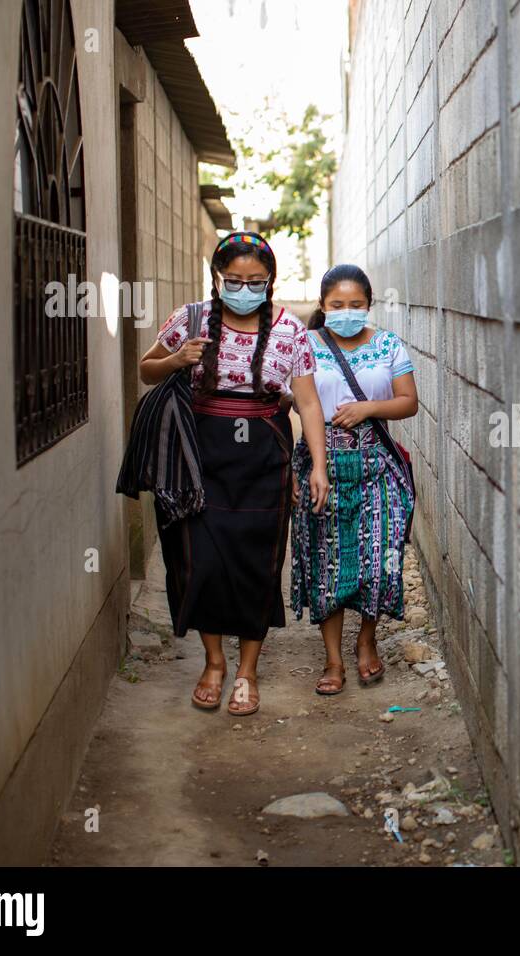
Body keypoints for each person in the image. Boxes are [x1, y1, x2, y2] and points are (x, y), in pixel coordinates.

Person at [137, 232, 329, 715]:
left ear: (270, 282)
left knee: (255, 562)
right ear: (218, 279)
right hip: (197, 452)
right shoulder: (191, 319)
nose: (244, 288)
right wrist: (177, 359)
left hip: (264, 455)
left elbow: (307, 401)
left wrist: (318, 465)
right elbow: (146, 369)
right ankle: (214, 662)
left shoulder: (290, 331)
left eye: (255, 281)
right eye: (234, 280)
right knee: (199, 558)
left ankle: (247, 671)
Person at [289, 264, 417, 695]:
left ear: (369, 305)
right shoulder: (305, 346)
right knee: (327, 561)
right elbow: (300, 403)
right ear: (323, 307)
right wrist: (311, 463)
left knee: (380, 556)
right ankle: (332, 659)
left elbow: (408, 403)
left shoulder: (387, 345)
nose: (346, 311)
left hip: (376, 464)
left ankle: (366, 640)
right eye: (337, 305)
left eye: (355, 305)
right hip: (321, 465)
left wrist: (367, 409)